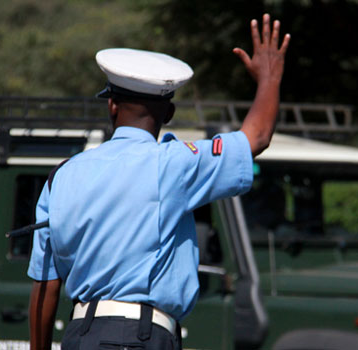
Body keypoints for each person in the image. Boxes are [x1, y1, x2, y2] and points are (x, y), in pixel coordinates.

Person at [28, 13, 290, 350]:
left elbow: (45, 287)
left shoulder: (61, 175)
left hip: (80, 337)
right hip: (141, 337)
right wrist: (269, 78)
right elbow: (257, 137)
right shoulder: (174, 163)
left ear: (111, 105)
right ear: (168, 115)